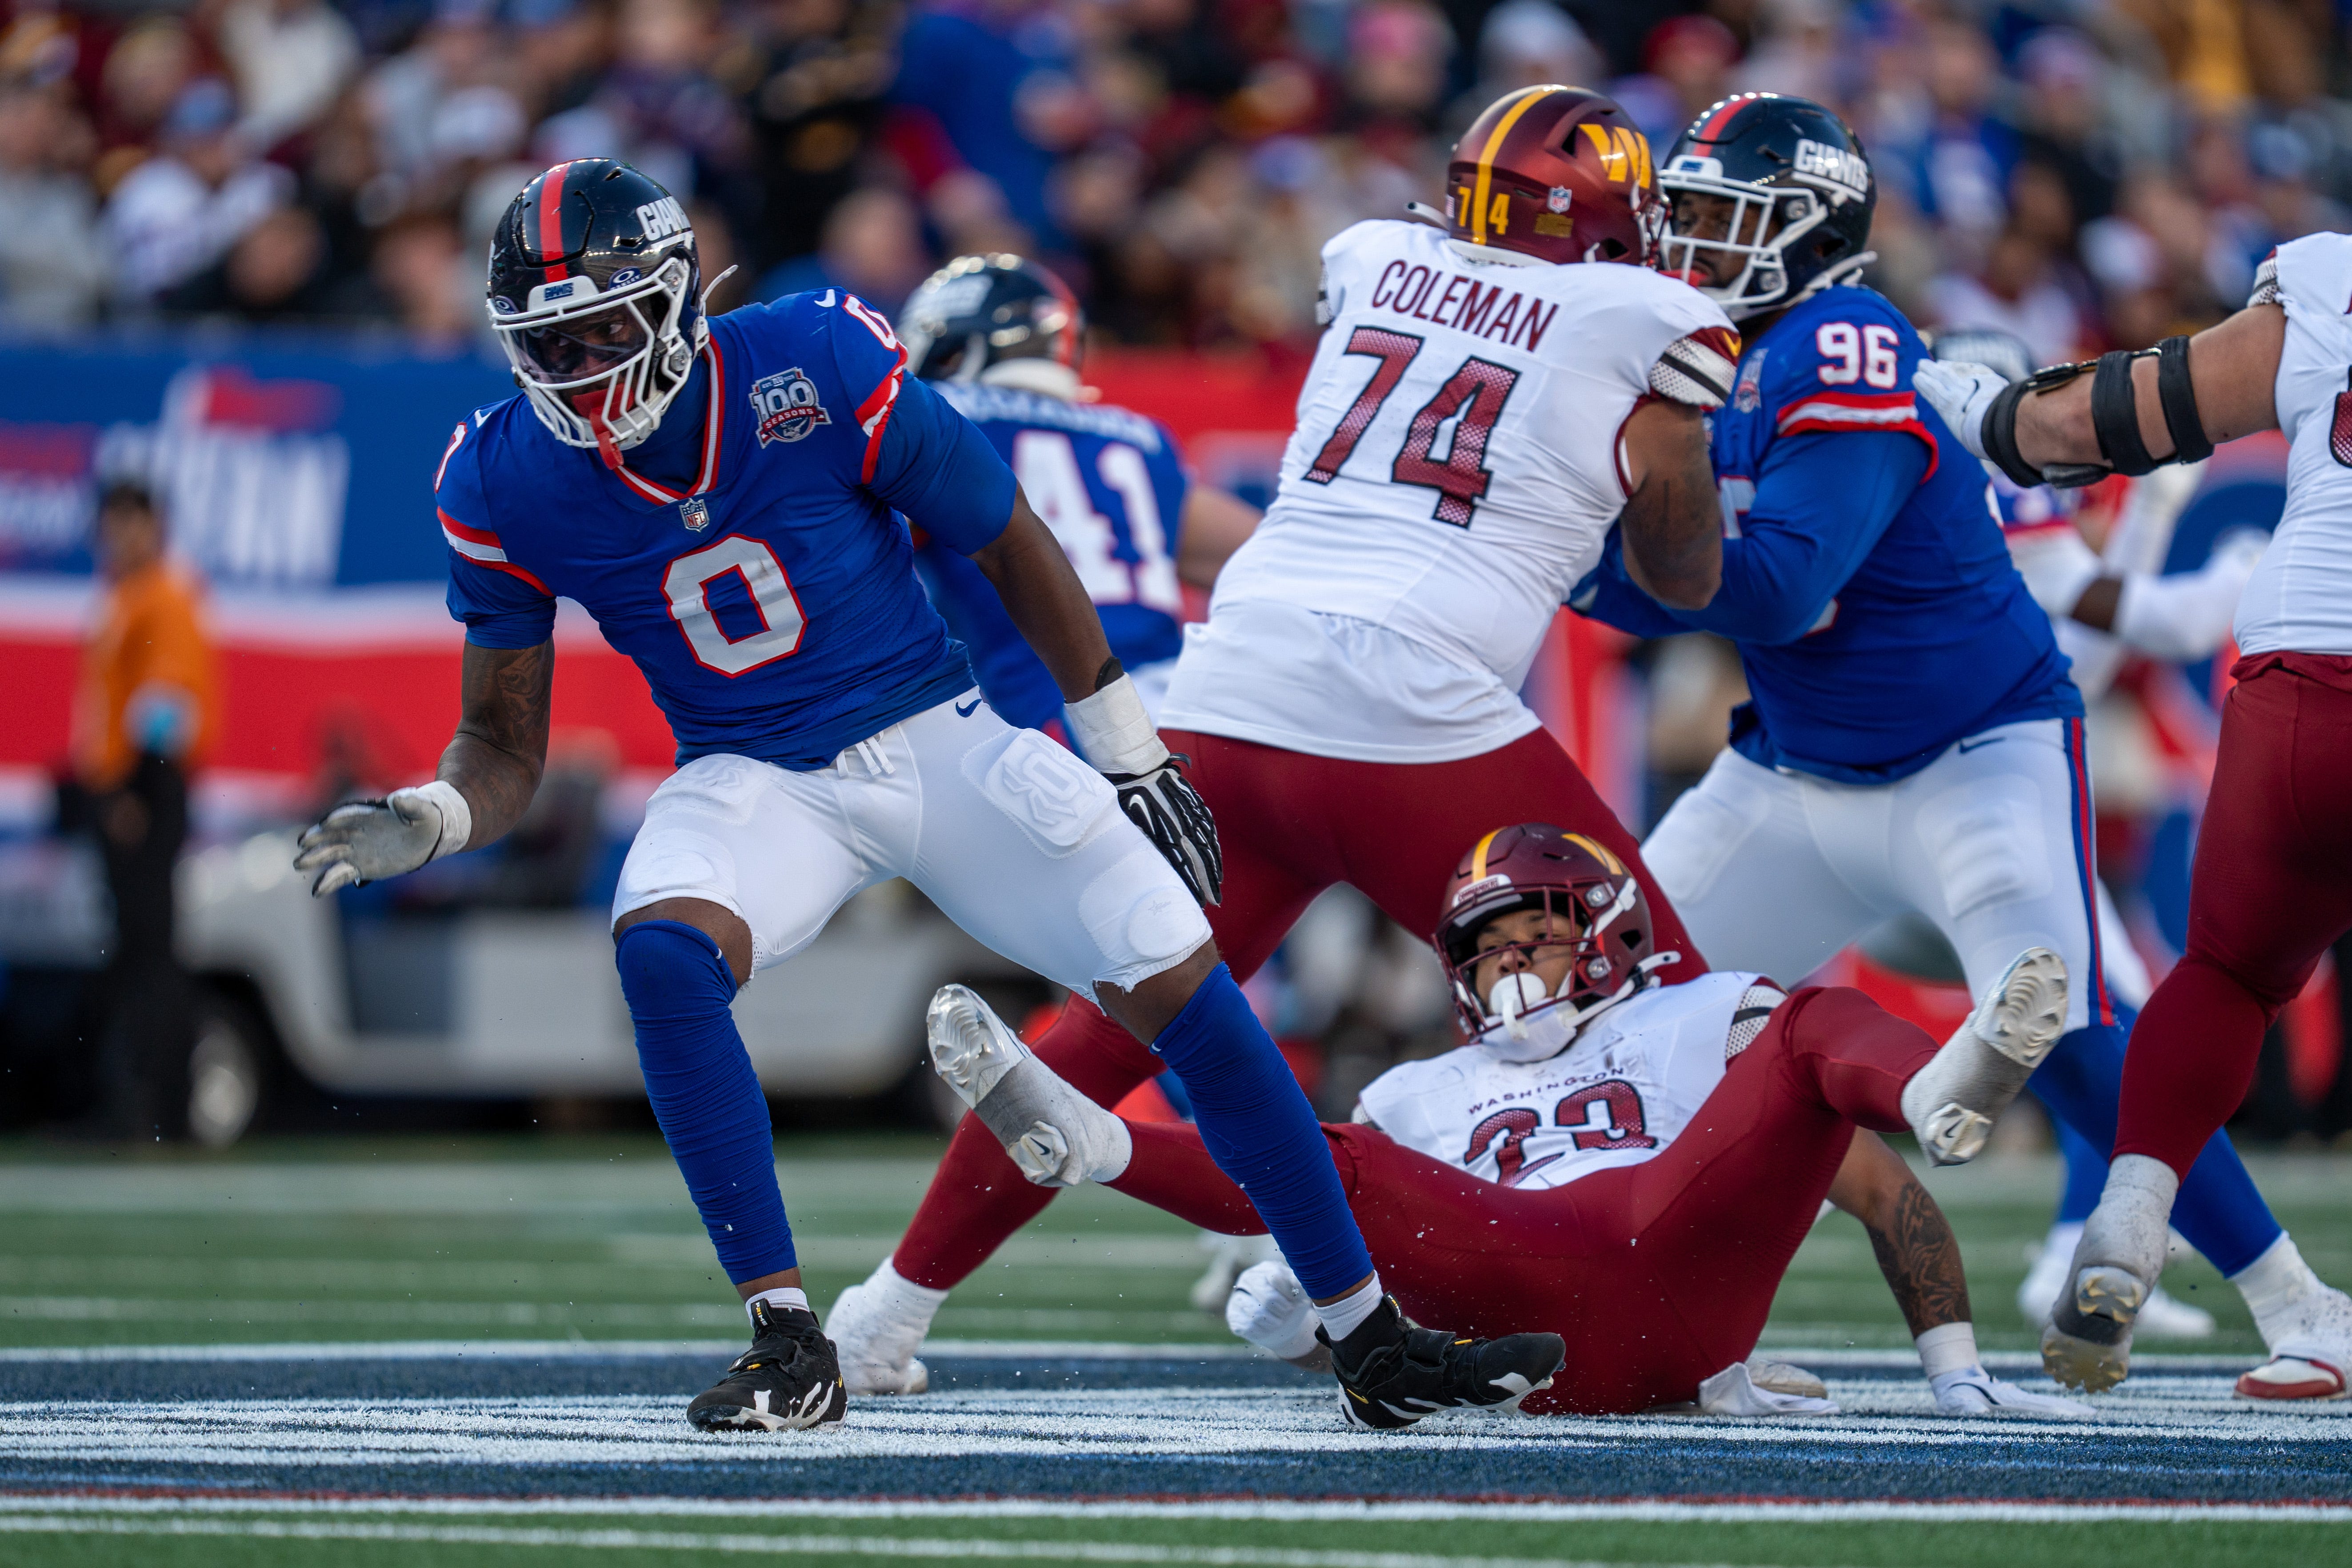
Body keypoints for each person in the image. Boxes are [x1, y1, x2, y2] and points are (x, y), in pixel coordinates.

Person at [292, 158, 1561, 1434]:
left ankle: (1370, 1341)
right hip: (757, 776)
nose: (580, 365)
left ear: (674, 298)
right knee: (667, 958)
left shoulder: (810, 358)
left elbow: (1004, 532)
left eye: (606, 326)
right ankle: (789, 1340)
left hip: (940, 735)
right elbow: (500, 744)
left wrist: (1125, 743)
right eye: (550, 340)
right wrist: (439, 815)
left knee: (1185, 984)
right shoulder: (500, 476)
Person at [823, 84, 1740, 1397]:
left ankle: (881, 1316)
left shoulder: (1371, 255)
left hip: (1230, 684)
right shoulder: (1648, 317)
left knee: (1120, 1021)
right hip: (1412, 704)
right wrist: (1682, 435)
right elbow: (1685, 577)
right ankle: (1675, 1340)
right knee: (1665, 1008)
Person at [1574, 92, 2351, 1402]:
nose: (1694, 245)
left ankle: (2301, 1307)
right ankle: (1617, 1301)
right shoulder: (1686, 347)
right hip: (1794, 769)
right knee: (1617, 1016)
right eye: (1686, 216)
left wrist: (1574, 562)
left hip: (1972, 752)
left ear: (1806, 227)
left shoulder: (1850, 338)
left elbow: (1777, 592)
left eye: (1722, 220)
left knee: (2084, 1035)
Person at [925, 824, 2088, 1419]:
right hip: (1526, 1330)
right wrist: (1302, 1332)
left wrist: (1955, 1379)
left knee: (1805, 1019)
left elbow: (1883, 1194)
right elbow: (1389, 1291)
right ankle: (1093, 1141)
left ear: (1608, 932)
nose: (1509, 961)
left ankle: (1935, 1084)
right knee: (1329, 1154)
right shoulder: (1415, 1092)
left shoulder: (1695, 1014)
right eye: (1485, 947)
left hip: (1686, 1255)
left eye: (1533, 932)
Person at [1917, 226, 2352, 1398]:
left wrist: (1988, 418)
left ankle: (2127, 1209)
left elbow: (2096, 422)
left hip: (2300, 676)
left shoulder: (2330, 281)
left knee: (2222, 977)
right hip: (1984, 775)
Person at [1930, 327, 2264, 1339]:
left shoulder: (1899, 471)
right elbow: (2144, 632)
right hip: (1961, 820)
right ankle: (2261, 1290)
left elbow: (2084, 647)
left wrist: (2152, 516)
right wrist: (2230, 569)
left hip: (1894, 813)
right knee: (2117, 1028)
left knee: (2109, 1023)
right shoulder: (1990, 492)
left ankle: (2078, 1232)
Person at [895, 252, 1260, 737]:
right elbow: (1263, 558)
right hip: (1184, 709)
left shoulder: (939, 421)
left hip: (1055, 730)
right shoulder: (1136, 437)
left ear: (949, 351)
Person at [68, 481, 217, 1140]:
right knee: (135, 950)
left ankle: (161, 1107)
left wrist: (135, 789)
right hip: (124, 786)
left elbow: (169, 707)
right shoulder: (126, 598)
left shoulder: (165, 596)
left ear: (155, 526)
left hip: (146, 790)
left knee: (151, 952)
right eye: (112, 524)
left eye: (133, 523)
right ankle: (141, 1100)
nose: (121, 537)